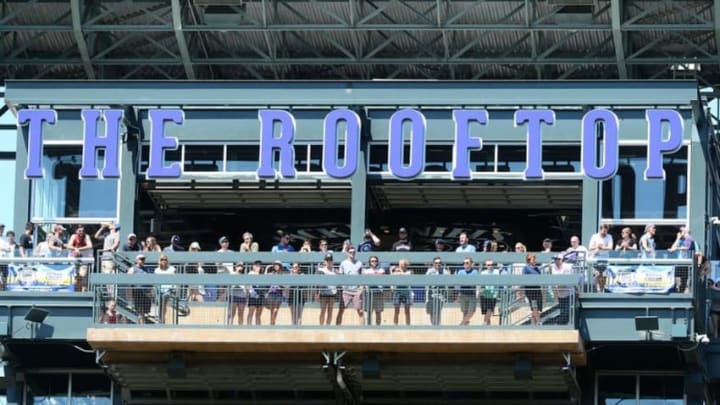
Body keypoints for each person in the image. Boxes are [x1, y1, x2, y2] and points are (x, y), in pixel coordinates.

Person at [339, 247, 365, 325]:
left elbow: (362, 276)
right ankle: (336, 329)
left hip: (357, 291)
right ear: (347, 253)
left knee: (360, 312)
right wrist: (342, 287)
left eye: (353, 252)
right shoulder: (343, 263)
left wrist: (361, 288)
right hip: (346, 291)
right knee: (341, 311)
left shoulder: (359, 263)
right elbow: (340, 275)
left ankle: (363, 331)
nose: (352, 253)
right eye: (350, 252)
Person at [128, 254, 153, 324]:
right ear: (137, 260)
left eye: (143, 259)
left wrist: (151, 290)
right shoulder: (132, 269)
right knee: (140, 309)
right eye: (141, 259)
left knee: (145, 310)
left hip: (146, 292)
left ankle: (141, 323)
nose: (142, 260)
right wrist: (129, 293)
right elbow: (128, 281)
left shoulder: (146, 269)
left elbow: (150, 280)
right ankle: (141, 325)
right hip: (137, 291)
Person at [550, 254, 574, 325]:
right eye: (555, 259)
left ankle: (558, 325)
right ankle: (561, 327)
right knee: (563, 312)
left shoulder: (567, 267)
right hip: (560, 295)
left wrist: (556, 287)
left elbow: (567, 282)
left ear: (561, 260)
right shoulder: (553, 267)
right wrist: (555, 292)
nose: (556, 261)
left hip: (569, 294)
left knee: (567, 312)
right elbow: (552, 280)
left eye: (557, 259)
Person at [425, 257, 449, 326]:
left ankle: (437, 325)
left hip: (440, 295)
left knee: (438, 311)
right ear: (433, 264)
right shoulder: (429, 271)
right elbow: (426, 283)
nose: (438, 264)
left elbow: (448, 283)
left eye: (439, 263)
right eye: (436, 263)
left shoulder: (445, 272)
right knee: (432, 312)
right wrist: (427, 296)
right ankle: (433, 325)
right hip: (431, 294)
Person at [363, 255, 386, 325]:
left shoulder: (381, 270)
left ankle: (378, 327)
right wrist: (375, 275)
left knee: (378, 312)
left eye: (375, 261)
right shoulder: (366, 271)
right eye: (372, 261)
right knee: (369, 312)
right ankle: (369, 327)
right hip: (369, 293)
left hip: (378, 293)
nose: (374, 262)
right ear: (370, 262)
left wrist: (371, 275)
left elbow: (381, 275)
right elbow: (365, 279)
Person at [154, 254, 177, 323]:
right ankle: (161, 319)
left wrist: (174, 289)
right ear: (159, 261)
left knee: (164, 299)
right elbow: (155, 281)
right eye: (162, 259)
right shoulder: (157, 270)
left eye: (165, 259)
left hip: (169, 290)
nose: (164, 261)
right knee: (161, 305)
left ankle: (162, 319)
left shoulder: (172, 269)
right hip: (160, 290)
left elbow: (175, 280)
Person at [317, 254, 338, 326]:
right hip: (323, 294)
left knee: (330, 311)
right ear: (325, 261)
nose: (329, 261)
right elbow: (317, 282)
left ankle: (328, 326)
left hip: (332, 294)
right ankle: (321, 326)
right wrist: (317, 292)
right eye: (327, 260)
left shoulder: (335, 271)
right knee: (323, 311)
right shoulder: (321, 270)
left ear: (332, 261)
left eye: (330, 260)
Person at [522, 253, 543, 325]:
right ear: (529, 260)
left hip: (538, 290)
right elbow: (525, 279)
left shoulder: (537, 269)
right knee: (534, 307)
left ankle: (533, 324)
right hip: (530, 291)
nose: (535, 260)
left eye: (535, 259)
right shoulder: (526, 268)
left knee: (539, 309)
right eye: (533, 259)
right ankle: (539, 322)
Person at [456, 257, 478, 325]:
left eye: (467, 262)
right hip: (463, 294)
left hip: (472, 294)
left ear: (471, 264)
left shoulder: (475, 272)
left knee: (472, 311)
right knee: (464, 311)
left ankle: (462, 324)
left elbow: (478, 283)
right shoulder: (460, 272)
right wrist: (458, 294)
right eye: (464, 263)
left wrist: (478, 292)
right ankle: (464, 327)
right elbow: (458, 283)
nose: (465, 264)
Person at [479, 260, 502, 325]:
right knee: (486, 310)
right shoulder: (483, 273)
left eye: (491, 264)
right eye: (488, 265)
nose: (490, 266)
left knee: (490, 309)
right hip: (485, 292)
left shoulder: (497, 272)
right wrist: (478, 291)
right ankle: (488, 325)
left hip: (494, 292)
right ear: (486, 265)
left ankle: (484, 323)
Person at [390, 259, 412, 325]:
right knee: (396, 311)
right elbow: (392, 278)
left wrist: (398, 272)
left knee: (407, 311)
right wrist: (391, 271)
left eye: (404, 264)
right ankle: (395, 326)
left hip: (406, 292)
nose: (402, 266)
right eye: (400, 264)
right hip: (397, 292)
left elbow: (406, 277)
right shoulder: (396, 272)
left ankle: (408, 326)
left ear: (406, 265)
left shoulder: (410, 272)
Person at [264, 261, 285, 325]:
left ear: (280, 266)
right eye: (275, 265)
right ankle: (272, 322)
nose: (276, 266)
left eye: (277, 265)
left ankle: (273, 321)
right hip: (271, 292)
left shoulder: (282, 275)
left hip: (279, 293)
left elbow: (285, 285)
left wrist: (281, 286)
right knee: (272, 309)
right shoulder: (271, 273)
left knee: (276, 309)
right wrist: (266, 268)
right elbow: (264, 278)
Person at [246, 261, 265, 325]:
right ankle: (248, 327)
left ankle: (258, 328)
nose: (258, 267)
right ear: (253, 266)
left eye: (259, 265)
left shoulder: (262, 275)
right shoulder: (251, 273)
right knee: (251, 312)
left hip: (260, 296)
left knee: (258, 314)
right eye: (256, 265)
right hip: (252, 296)